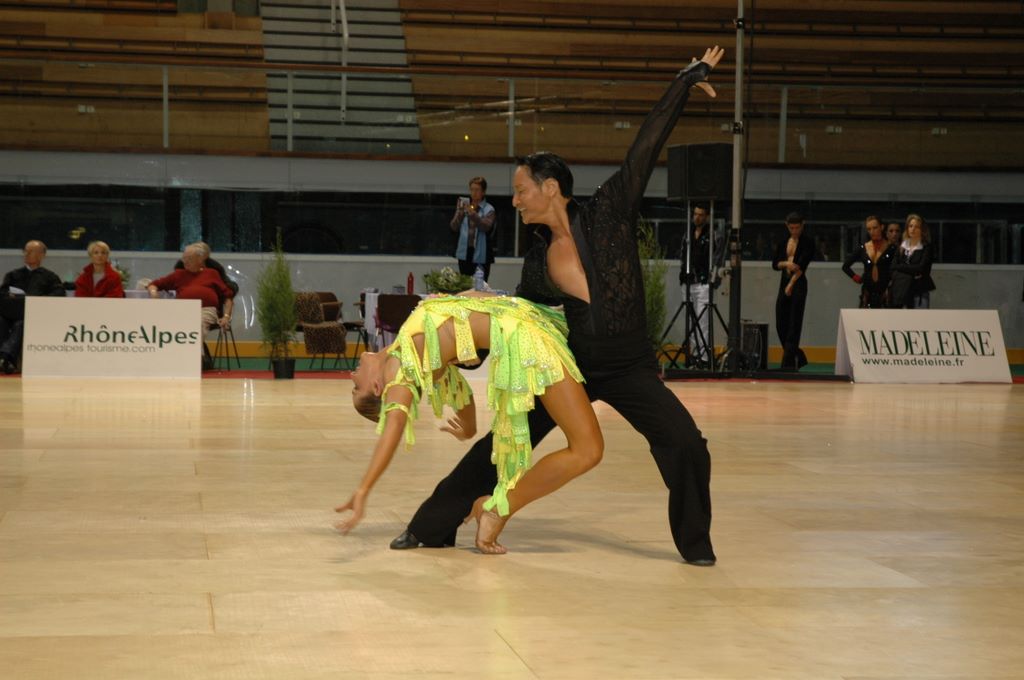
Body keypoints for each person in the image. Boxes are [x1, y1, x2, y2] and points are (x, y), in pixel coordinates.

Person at [388, 45, 725, 567]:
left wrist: (683, 82)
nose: (515, 200)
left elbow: (646, 145)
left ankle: (696, 545)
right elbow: (515, 324)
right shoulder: (537, 260)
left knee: (686, 445)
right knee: (502, 445)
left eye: (521, 191)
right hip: (566, 366)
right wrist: (462, 355)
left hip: (629, 366)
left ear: (550, 188)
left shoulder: (608, 213)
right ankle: (428, 526)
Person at [336, 294, 601, 554]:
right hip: (528, 339)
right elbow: (393, 428)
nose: (351, 376)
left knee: (587, 449)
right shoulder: (399, 370)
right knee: (587, 450)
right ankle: (497, 507)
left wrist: (468, 427)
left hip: (533, 320)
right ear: (378, 387)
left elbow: (462, 395)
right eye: (356, 388)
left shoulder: (410, 349)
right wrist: (363, 489)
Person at [0, 240, 66, 374]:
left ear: (42, 255)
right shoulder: (13, 275)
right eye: (25, 251)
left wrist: (38, 300)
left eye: (31, 251)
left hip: (34, 315)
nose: (26, 254)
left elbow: (59, 293)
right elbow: (3, 293)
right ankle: (6, 359)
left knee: (21, 324)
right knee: (1, 321)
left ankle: (5, 357)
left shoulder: (50, 277)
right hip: (11, 312)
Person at [148, 244, 234, 333]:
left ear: (200, 259)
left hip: (205, 310)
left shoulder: (212, 273)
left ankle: (193, 342)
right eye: (184, 258)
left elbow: (228, 297)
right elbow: (154, 284)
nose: (185, 261)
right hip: (182, 311)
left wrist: (226, 316)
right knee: (167, 324)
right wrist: (153, 292)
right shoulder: (178, 274)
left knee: (197, 325)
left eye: (189, 258)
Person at [771, 212, 815, 371]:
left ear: (802, 225)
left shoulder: (808, 242)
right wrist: (786, 264)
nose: (795, 231)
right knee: (780, 321)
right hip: (784, 281)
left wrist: (791, 285)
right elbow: (775, 264)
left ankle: (788, 363)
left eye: (797, 228)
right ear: (787, 226)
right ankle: (798, 356)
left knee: (794, 323)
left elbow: (801, 266)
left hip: (798, 282)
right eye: (792, 228)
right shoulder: (783, 242)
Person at [679, 204, 714, 367]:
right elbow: (683, 255)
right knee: (691, 321)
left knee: (703, 321)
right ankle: (694, 354)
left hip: (703, 282)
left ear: (706, 217)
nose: (697, 217)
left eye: (701, 215)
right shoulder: (688, 233)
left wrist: (711, 278)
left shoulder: (711, 234)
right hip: (688, 282)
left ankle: (704, 357)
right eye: (695, 214)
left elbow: (715, 257)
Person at [842, 215, 896, 308]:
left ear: (882, 227)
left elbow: (897, 268)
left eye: (875, 228)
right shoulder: (864, 248)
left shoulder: (891, 248)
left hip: (885, 293)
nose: (872, 231)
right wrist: (856, 278)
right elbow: (845, 266)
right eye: (869, 229)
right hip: (867, 293)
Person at [450, 177, 495, 280]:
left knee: (480, 285)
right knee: (464, 284)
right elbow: (453, 227)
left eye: (477, 190)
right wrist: (460, 213)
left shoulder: (489, 209)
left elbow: (485, 227)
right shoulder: (464, 207)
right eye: (472, 190)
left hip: (481, 254)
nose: (474, 193)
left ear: (483, 192)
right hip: (465, 252)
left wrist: (472, 214)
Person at [889, 213, 935, 309]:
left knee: (920, 317)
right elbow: (893, 266)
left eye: (916, 227)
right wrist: (912, 271)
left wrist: (901, 268)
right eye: (910, 226)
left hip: (919, 291)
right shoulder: (902, 246)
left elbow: (921, 268)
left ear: (922, 229)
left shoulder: (926, 247)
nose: (913, 229)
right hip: (902, 290)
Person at [174, 241, 239, 295]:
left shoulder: (214, 268)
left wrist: (227, 296)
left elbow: (230, 286)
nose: (186, 261)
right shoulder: (181, 265)